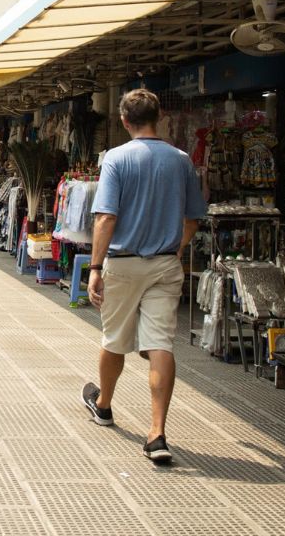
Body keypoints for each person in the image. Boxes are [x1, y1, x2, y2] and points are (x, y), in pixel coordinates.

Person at [81, 89, 205, 464]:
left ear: (123, 121)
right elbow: (193, 218)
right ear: (160, 115)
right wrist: (178, 248)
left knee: (115, 338)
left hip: (123, 262)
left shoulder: (117, 158)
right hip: (166, 264)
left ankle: (103, 405)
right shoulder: (181, 160)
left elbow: (105, 217)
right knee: (161, 345)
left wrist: (95, 267)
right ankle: (157, 433)